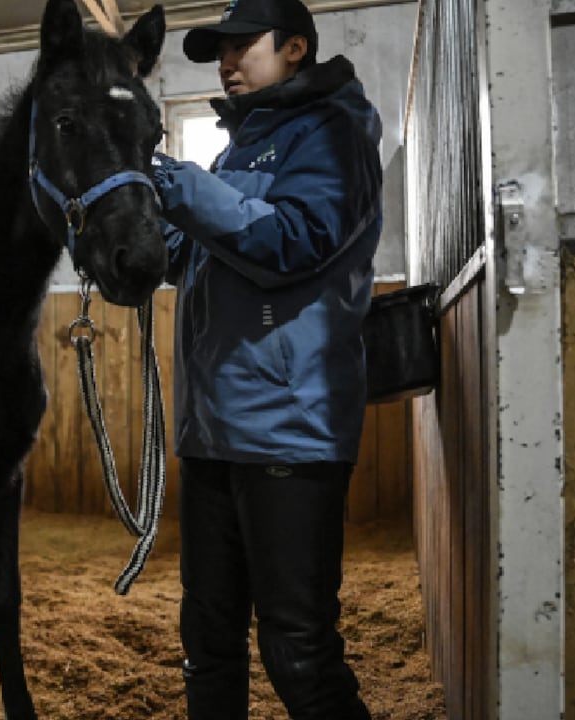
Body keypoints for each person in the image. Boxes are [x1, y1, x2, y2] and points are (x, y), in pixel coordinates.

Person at [148, 0, 383, 718]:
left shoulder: (333, 132)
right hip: (215, 430)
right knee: (208, 639)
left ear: (296, 48)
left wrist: (176, 183)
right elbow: (192, 254)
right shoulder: (236, 150)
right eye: (220, 50)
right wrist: (123, 222)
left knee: (298, 647)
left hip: (290, 427)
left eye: (243, 44)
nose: (227, 61)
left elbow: (298, 240)